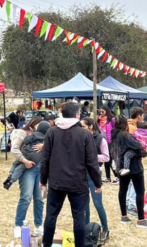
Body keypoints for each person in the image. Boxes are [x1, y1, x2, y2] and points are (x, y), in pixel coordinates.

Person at [40, 102, 101, 247]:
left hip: (56, 182)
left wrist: (43, 180)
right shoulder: (85, 134)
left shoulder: (52, 132)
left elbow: (45, 159)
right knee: (79, 217)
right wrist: (98, 183)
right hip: (77, 183)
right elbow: (92, 162)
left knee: (51, 216)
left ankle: (46, 244)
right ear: (77, 115)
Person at [11, 117, 45, 238]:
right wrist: (25, 161)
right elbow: (14, 149)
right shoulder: (22, 132)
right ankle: (18, 225)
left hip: (40, 168)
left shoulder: (44, 135)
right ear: (34, 124)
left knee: (39, 199)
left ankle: (39, 225)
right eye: (39, 124)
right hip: (27, 168)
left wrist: (43, 145)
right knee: (26, 197)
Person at [112, 115, 147, 228]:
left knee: (122, 191)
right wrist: (140, 153)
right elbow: (142, 150)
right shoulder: (126, 135)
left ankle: (124, 216)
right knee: (139, 192)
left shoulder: (113, 135)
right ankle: (141, 220)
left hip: (121, 168)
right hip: (135, 167)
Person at [80, 117, 111, 243]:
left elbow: (106, 157)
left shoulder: (100, 139)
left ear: (90, 126)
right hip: (81, 174)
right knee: (84, 205)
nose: (80, 128)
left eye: (82, 126)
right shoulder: (80, 137)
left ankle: (105, 229)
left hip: (94, 174)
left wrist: (92, 157)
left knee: (98, 204)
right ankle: (87, 230)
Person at [3, 119, 49, 190]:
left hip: (27, 154)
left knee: (16, 163)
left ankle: (10, 175)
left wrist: (28, 137)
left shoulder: (34, 134)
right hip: (35, 159)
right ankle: (11, 180)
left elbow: (26, 140)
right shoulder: (46, 137)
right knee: (20, 167)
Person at [98, 106, 117, 184]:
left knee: (110, 160)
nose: (101, 113)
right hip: (102, 141)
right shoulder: (98, 120)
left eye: (103, 112)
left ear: (107, 111)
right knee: (105, 159)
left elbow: (115, 130)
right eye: (100, 112)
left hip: (110, 142)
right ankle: (108, 177)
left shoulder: (111, 120)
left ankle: (116, 176)